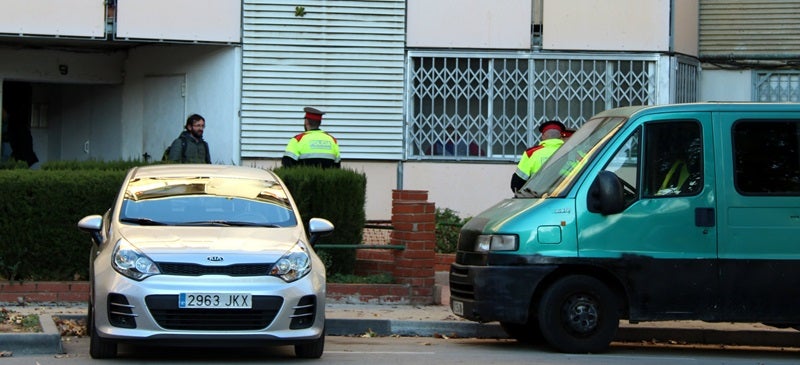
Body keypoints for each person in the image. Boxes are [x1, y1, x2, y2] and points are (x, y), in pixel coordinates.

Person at [510, 120, 566, 193]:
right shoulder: (573, 151)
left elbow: (516, 184)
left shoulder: (531, 153)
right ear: (561, 136)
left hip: (537, 198)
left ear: (542, 136)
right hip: (566, 198)